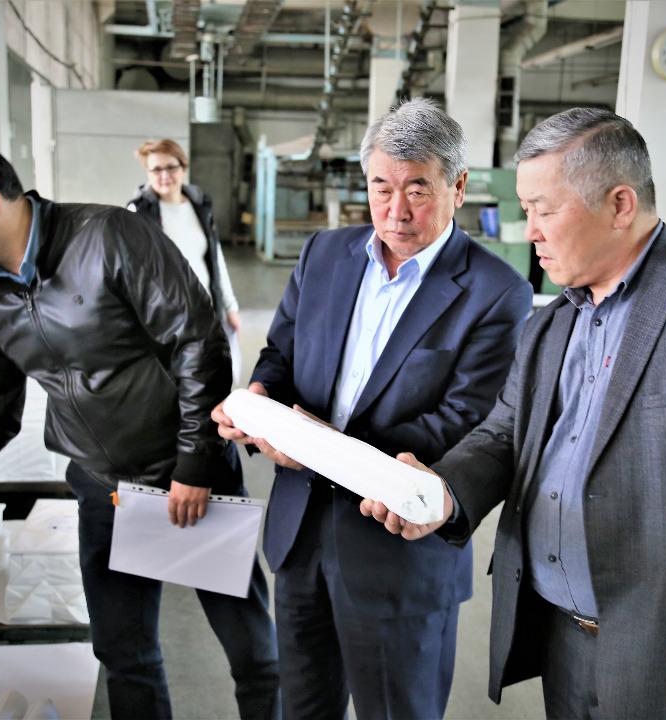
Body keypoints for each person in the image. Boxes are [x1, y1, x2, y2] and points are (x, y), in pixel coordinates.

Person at [362, 108, 666, 718]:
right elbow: (504, 434)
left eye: (545, 210)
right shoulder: (551, 322)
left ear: (620, 205)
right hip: (562, 640)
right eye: (526, 209)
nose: (529, 231)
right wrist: (441, 492)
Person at [0, 137, 280, 720]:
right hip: (105, 491)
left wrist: (195, 463)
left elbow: (198, 341)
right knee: (125, 657)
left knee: (252, 654)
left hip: (190, 482)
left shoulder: (108, 237)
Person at [212, 98, 533, 719]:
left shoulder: (496, 293)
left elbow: (464, 424)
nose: (395, 210)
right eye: (381, 187)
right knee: (304, 709)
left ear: (458, 187)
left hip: (397, 554)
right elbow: (280, 352)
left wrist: (314, 446)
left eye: (418, 189)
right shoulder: (324, 254)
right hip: (300, 539)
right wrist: (260, 404)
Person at [127, 139, 241, 336]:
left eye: (171, 167)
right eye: (157, 169)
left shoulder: (200, 205)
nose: (165, 176)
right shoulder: (138, 212)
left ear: (183, 168)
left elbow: (216, 259)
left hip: (205, 310)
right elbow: (131, 271)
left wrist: (230, 307)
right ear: (148, 173)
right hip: (165, 321)